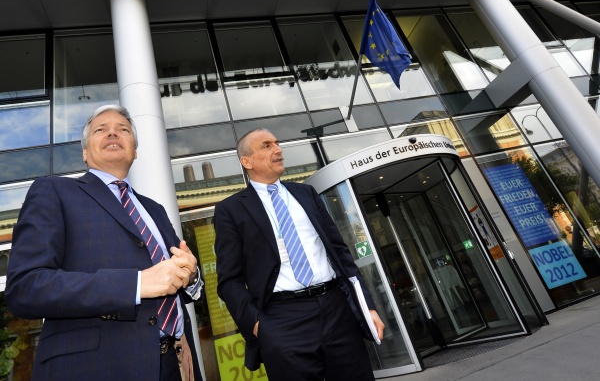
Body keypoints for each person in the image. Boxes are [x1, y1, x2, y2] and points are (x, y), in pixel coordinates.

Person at [5, 105, 204, 381]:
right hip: (97, 367)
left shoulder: (155, 209)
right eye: (101, 129)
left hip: (174, 364)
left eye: (123, 129)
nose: (113, 132)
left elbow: (180, 285)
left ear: (134, 151)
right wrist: (134, 285)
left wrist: (191, 276)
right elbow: (25, 287)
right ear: (85, 153)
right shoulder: (53, 191)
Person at [214, 128, 384, 381]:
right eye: (266, 145)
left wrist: (366, 305)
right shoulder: (230, 210)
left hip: (336, 309)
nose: (278, 149)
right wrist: (258, 324)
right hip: (282, 319)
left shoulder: (306, 194)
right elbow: (229, 280)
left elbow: (340, 253)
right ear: (246, 162)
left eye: (277, 143)